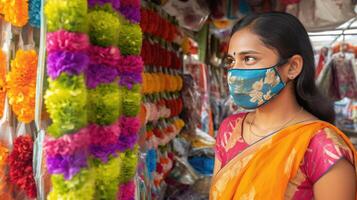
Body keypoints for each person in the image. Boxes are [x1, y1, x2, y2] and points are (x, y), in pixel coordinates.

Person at [210, 12, 357, 200]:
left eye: (248, 59)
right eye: (231, 61)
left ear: (293, 67)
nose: (234, 71)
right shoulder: (230, 129)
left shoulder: (321, 147)